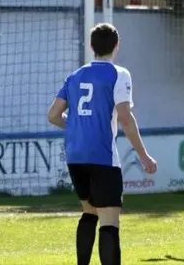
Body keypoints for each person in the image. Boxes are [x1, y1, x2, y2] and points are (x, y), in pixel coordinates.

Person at [47, 23, 157, 265]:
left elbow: (53, 115)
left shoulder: (75, 76)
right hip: (103, 156)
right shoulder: (119, 74)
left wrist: (76, 127)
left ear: (91, 46)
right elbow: (125, 118)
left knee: (89, 212)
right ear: (116, 46)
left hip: (75, 156)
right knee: (109, 221)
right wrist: (144, 155)